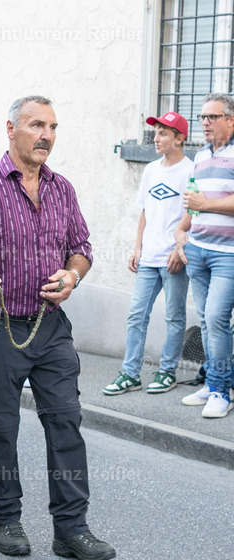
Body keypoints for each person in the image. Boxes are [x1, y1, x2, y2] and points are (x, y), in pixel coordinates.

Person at [0, 95, 115, 560]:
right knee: (0, 428)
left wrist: (72, 275)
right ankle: (6, 520)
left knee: (66, 424)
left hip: (51, 328)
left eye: (51, 126)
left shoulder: (62, 189)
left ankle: (72, 530)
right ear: (11, 129)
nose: (45, 135)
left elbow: (81, 247)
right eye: (35, 125)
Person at [103, 112, 191, 396]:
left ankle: (167, 372)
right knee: (136, 315)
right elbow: (145, 211)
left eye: (164, 133)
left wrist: (180, 248)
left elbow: (193, 213)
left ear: (179, 138)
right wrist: (137, 247)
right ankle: (130, 374)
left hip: (173, 259)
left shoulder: (190, 170)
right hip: (149, 257)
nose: (156, 138)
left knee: (174, 318)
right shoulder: (151, 170)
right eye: (156, 132)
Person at [170, 94, 234, 418]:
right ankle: (213, 383)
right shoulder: (200, 157)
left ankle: (222, 391)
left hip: (227, 255)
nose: (206, 123)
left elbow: (207, 202)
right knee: (208, 322)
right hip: (199, 249)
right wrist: (181, 232)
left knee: (218, 319)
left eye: (213, 116)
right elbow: (194, 202)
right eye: (202, 118)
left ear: (230, 120)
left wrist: (206, 205)